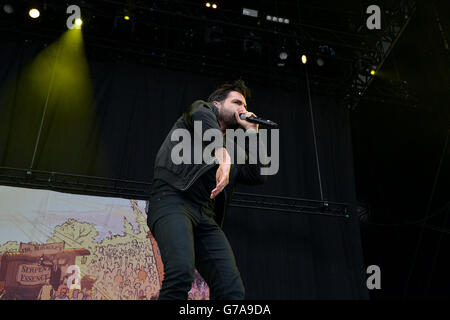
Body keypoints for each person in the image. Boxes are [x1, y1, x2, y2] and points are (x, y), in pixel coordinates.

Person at [147, 80, 268, 300]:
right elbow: (201, 113)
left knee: (232, 291)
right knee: (181, 273)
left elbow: (257, 174)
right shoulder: (200, 112)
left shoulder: (233, 149)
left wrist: (252, 132)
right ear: (217, 104)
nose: (243, 108)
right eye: (237, 102)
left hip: (205, 216)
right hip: (173, 200)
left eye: (245, 105)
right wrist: (222, 154)